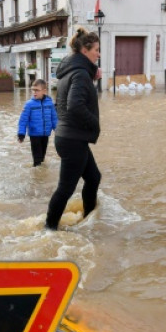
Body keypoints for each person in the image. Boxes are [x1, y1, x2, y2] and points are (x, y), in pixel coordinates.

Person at [46, 27, 102, 231]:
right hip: (72, 140)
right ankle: (49, 229)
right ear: (85, 51)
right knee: (65, 188)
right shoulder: (79, 74)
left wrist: (92, 77)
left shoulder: (72, 71)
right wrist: (95, 123)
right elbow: (75, 105)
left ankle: (88, 218)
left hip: (69, 137)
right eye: (96, 49)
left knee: (94, 178)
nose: (98, 53)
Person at [17, 79, 58, 166]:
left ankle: (41, 175)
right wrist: (21, 134)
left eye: (37, 90)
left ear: (44, 91)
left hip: (46, 134)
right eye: (33, 90)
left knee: (42, 158)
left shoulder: (50, 104)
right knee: (37, 160)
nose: (34, 92)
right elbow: (23, 120)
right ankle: (36, 173)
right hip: (34, 135)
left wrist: (58, 131)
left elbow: (54, 118)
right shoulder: (29, 104)